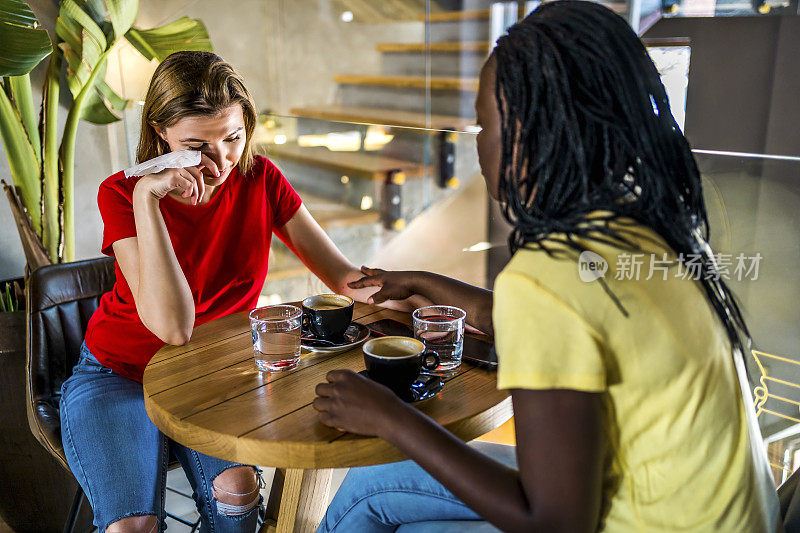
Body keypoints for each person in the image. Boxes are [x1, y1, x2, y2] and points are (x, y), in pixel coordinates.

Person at [312, 2, 780, 531]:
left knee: (369, 503)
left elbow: (554, 522)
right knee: (370, 485)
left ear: (527, 138)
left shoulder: (546, 276)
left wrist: (390, 417)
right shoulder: (651, 220)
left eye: (483, 124)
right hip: (726, 517)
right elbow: (563, 321)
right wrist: (423, 282)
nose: (479, 142)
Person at [59, 51, 394, 533]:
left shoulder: (261, 178)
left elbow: (345, 281)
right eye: (197, 146)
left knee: (237, 491)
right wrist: (146, 200)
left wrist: (430, 299)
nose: (220, 162)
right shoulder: (121, 192)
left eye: (233, 137)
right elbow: (174, 327)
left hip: (213, 373)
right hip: (120, 373)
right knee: (133, 527)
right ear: (160, 133)